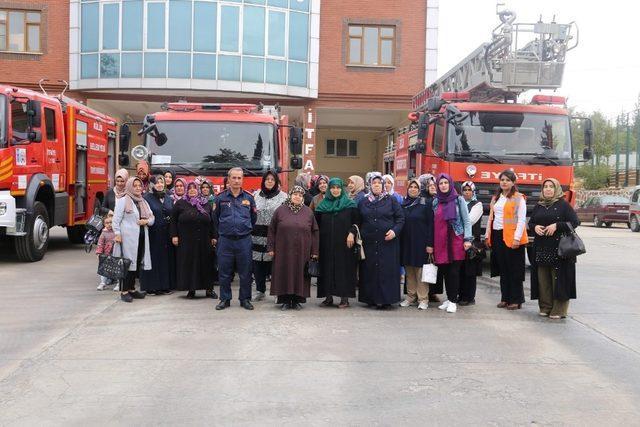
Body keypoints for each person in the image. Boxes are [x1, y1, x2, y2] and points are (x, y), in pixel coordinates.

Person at [529, 178, 580, 319]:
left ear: (556, 189)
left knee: (558, 279)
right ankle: (545, 307)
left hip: (560, 249)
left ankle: (559, 310)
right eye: (545, 186)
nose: (548, 189)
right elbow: (531, 222)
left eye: (551, 186)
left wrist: (557, 225)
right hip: (541, 248)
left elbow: (575, 222)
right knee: (543, 279)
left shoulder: (563, 205)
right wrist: (535, 227)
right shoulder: (539, 205)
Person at [267, 186, 320, 310]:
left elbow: (315, 232)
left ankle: (297, 300)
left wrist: (315, 251)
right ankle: (285, 300)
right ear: (290, 195)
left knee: (300, 274)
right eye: (295, 194)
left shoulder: (308, 212)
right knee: (284, 273)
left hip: (303, 251)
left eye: (300, 195)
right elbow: (271, 230)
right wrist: (270, 248)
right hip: (283, 250)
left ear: (303, 198)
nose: (297, 196)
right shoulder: (280, 210)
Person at [357, 173, 405, 309]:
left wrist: (395, 231)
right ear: (370, 185)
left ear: (383, 185)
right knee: (370, 270)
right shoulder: (364, 202)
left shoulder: (391, 200)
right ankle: (370, 298)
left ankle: (387, 300)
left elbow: (400, 219)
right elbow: (358, 220)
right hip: (369, 243)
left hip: (388, 243)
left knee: (386, 270)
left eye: (379, 183)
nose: (376, 185)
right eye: (374, 183)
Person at [214, 167, 257, 311]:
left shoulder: (249, 198)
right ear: (229, 179)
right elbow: (215, 219)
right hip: (225, 240)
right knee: (224, 272)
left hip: (244, 240)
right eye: (234, 178)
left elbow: (253, 218)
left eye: (239, 178)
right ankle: (225, 299)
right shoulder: (220, 198)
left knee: (245, 272)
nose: (237, 180)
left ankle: (245, 299)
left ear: (242, 179)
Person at [485, 169, 528, 310]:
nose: (504, 182)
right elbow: (492, 217)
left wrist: (517, 239)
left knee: (514, 269)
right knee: (503, 268)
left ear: (513, 182)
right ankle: (505, 298)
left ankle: (516, 300)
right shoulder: (496, 197)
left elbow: (521, 220)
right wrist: (487, 235)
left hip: (512, 237)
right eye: (502, 180)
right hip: (497, 236)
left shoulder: (518, 198)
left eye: (507, 180)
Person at [315, 177, 360, 308]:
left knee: (344, 269)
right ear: (329, 189)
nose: (335, 190)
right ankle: (328, 297)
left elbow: (357, 222)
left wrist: (352, 232)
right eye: (333, 188)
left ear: (342, 189)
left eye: (338, 187)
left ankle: (344, 298)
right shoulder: (322, 206)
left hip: (345, 245)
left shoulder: (350, 204)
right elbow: (316, 226)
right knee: (326, 269)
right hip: (326, 245)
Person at [432, 174, 472, 314]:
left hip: (455, 239)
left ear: (450, 184)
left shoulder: (458, 200)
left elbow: (466, 221)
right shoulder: (436, 201)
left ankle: (453, 301)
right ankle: (449, 299)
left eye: (445, 183)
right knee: (445, 271)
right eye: (440, 183)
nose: (443, 185)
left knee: (454, 272)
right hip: (440, 240)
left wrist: (467, 239)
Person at [170, 181, 216, 299]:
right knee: (190, 264)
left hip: (205, 240)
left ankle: (209, 289)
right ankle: (191, 289)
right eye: (189, 188)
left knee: (206, 263)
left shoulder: (206, 204)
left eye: (194, 188)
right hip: (187, 241)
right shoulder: (180, 204)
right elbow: (173, 221)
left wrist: (214, 236)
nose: (192, 190)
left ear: (198, 190)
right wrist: (174, 235)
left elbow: (212, 222)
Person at [112, 177, 154, 303]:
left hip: (141, 237)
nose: (137, 188)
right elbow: (116, 220)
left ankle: (131, 289)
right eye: (134, 185)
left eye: (139, 185)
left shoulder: (143, 201)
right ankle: (124, 291)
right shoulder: (123, 200)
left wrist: (146, 221)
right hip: (127, 239)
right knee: (126, 264)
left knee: (136, 264)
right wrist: (117, 233)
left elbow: (152, 218)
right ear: (130, 186)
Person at [252, 170, 287, 301]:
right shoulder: (256, 195)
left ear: (276, 182)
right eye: (267, 179)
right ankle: (260, 291)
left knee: (275, 266)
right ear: (263, 181)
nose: (270, 182)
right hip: (256, 236)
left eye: (272, 180)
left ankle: (278, 292)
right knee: (257, 265)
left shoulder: (284, 197)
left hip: (275, 236)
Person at [399, 178, 434, 310]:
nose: (413, 189)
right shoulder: (403, 203)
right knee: (409, 270)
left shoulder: (426, 204)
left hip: (421, 243)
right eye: (411, 187)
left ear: (419, 190)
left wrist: (430, 244)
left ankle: (423, 299)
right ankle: (410, 296)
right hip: (407, 242)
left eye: (415, 187)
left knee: (420, 271)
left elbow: (431, 225)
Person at [141, 175, 175, 295]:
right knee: (153, 259)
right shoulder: (146, 198)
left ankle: (165, 285)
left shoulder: (168, 198)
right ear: (152, 185)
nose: (160, 184)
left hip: (166, 234)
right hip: (153, 234)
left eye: (162, 182)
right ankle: (152, 286)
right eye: (157, 182)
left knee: (165, 259)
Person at [458, 181, 484, 305]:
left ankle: (469, 297)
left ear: (473, 192)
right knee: (460, 270)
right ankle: (460, 295)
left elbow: (470, 220)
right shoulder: (458, 202)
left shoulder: (477, 205)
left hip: (472, 242)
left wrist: (456, 224)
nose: (467, 192)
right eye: (465, 190)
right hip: (459, 241)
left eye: (469, 190)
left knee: (470, 272)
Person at [95, 214, 116, 291]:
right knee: (104, 268)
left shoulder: (117, 231)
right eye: (107, 223)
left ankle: (118, 283)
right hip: (106, 254)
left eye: (111, 222)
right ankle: (103, 283)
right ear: (104, 224)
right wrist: (99, 253)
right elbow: (100, 244)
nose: (109, 224)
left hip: (115, 254)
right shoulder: (104, 233)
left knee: (116, 268)